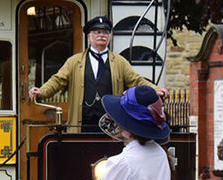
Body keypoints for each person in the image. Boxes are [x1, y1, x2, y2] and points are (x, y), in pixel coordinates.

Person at [29, 16, 169, 132]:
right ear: (89, 36)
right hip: (82, 124)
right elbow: (57, 81)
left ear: (109, 37)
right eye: (97, 32)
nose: (102, 35)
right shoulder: (74, 61)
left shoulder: (119, 62)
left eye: (105, 32)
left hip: (110, 123)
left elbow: (137, 80)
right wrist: (41, 91)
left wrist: (156, 89)